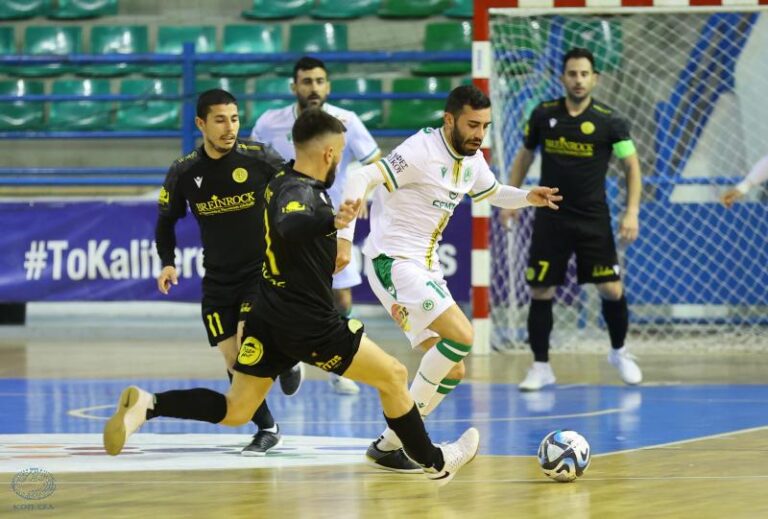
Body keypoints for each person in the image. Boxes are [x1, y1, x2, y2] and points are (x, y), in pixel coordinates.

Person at [104, 108, 480, 487]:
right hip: (310, 322)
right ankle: (436, 462)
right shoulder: (300, 193)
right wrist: (328, 222)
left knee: (237, 408)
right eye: (341, 150)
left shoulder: (279, 177)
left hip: (269, 317)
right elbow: (289, 223)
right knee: (395, 377)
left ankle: (149, 405)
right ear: (330, 154)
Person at [336, 85, 562, 472]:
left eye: (485, 126)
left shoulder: (472, 160)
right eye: (472, 125)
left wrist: (528, 196)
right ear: (448, 119)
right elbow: (360, 177)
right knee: (463, 335)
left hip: (425, 267)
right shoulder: (421, 151)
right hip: (393, 260)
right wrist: (343, 240)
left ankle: (389, 445)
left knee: (453, 368)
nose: (479, 134)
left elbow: (491, 191)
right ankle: (415, 446)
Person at [154, 88, 302, 455]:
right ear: (201, 123)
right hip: (218, 279)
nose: (229, 127)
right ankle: (268, 427)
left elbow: (295, 188)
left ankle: (285, 354)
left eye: (234, 119)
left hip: (261, 272)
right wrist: (168, 262)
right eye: (220, 120)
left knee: (250, 341)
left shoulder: (259, 157)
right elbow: (165, 221)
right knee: (234, 362)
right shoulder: (185, 171)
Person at [504, 47, 643, 391]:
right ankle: (540, 366)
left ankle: (619, 351)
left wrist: (632, 211)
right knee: (540, 289)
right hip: (551, 217)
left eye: (584, 74)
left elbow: (632, 166)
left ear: (595, 78)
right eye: (572, 74)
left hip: (593, 219)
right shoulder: (543, 114)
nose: (578, 80)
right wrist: (511, 197)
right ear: (562, 77)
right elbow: (524, 155)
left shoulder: (611, 121)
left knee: (611, 289)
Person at [251, 56, 381, 396]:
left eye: (319, 81)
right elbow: (252, 160)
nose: (313, 88)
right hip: (285, 225)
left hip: (333, 224)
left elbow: (374, 164)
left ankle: (338, 367)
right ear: (294, 86)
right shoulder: (269, 123)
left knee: (339, 294)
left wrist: (363, 195)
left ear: (328, 86)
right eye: (306, 81)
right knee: (283, 290)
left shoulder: (346, 121)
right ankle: (288, 356)